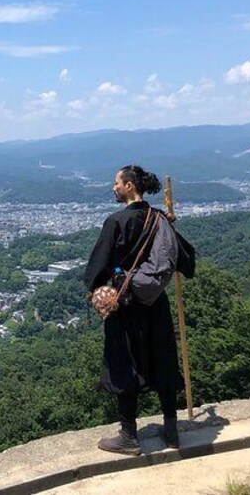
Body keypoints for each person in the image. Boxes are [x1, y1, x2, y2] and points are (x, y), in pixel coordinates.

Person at [82, 165, 183, 456]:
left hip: (125, 305)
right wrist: (169, 220)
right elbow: (182, 256)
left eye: (116, 182)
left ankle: (128, 435)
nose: (113, 187)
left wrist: (97, 288)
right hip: (155, 302)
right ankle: (172, 429)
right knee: (162, 357)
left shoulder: (115, 221)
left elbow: (97, 268)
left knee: (123, 362)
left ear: (128, 186)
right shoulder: (159, 219)